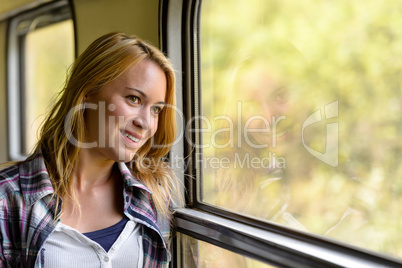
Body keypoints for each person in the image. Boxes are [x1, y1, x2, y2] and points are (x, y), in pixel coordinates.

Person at [0, 32, 181, 267]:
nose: (146, 123)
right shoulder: (8, 200)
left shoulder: (153, 195)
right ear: (87, 93)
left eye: (156, 109)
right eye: (134, 99)